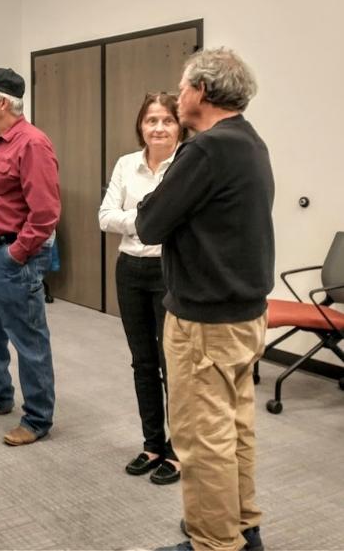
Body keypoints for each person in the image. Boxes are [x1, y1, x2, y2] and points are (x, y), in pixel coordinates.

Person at [137, 48, 272, 551]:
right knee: (234, 427)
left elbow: (150, 222)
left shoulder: (206, 150)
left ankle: (215, 542)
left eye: (182, 86)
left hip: (205, 322)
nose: (177, 96)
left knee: (201, 437)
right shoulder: (249, 141)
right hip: (244, 315)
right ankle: (241, 525)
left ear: (201, 91)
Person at [0, 67, 61, 446]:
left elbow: (46, 212)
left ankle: (37, 418)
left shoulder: (32, 144)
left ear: (3, 102)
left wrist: (18, 253)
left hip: (14, 255)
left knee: (28, 339)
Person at [98, 92, 186, 485]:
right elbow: (105, 217)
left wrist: (134, 219)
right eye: (151, 120)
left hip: (170, 270)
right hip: (129, 269)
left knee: (173, 364)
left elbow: (182, 222)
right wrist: (149, 221)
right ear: (141, 126)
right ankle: (152, 444)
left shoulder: (184, 165)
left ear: (180, 126)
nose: (159, 128)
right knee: (142, 361)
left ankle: (179, 449)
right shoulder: (126, 164)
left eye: (167, 120)